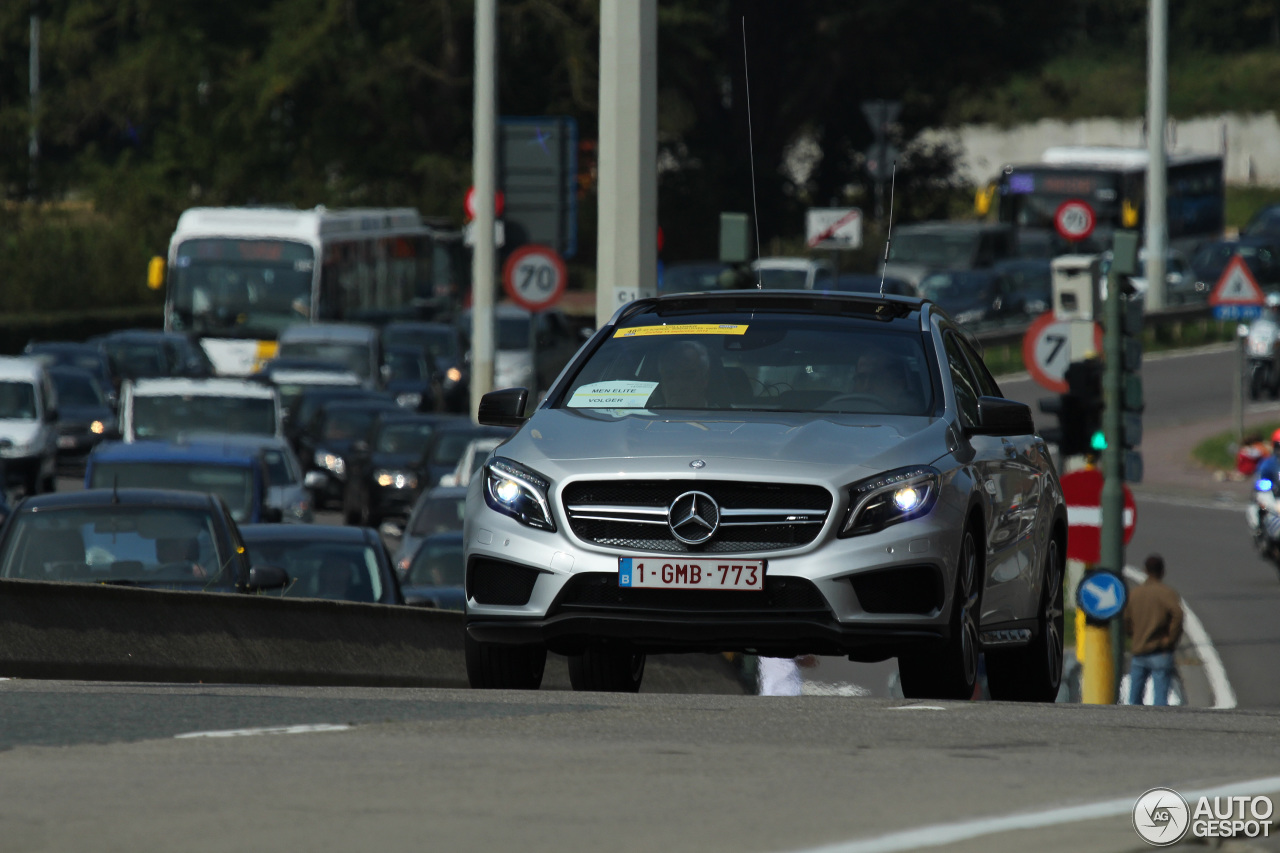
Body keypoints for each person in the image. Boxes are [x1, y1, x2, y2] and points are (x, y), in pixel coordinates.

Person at [1123, 553, 1184, 706]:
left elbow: (1125, 619)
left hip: (1139, 650)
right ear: (1162, 571)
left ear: (1145, 570)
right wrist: (1171, 639)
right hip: (1160, 651)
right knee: (1161, 701)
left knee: (1134, 700)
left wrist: (1133, 634)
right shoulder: (1167, 593)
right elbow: (1178, 614)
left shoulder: (1134, 594)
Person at [657, 340, 711, 408]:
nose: (678, 385)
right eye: (670, 377)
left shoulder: (722, 417)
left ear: (704, 380)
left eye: (687, 377)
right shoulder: (646, 416)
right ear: (661, 383)